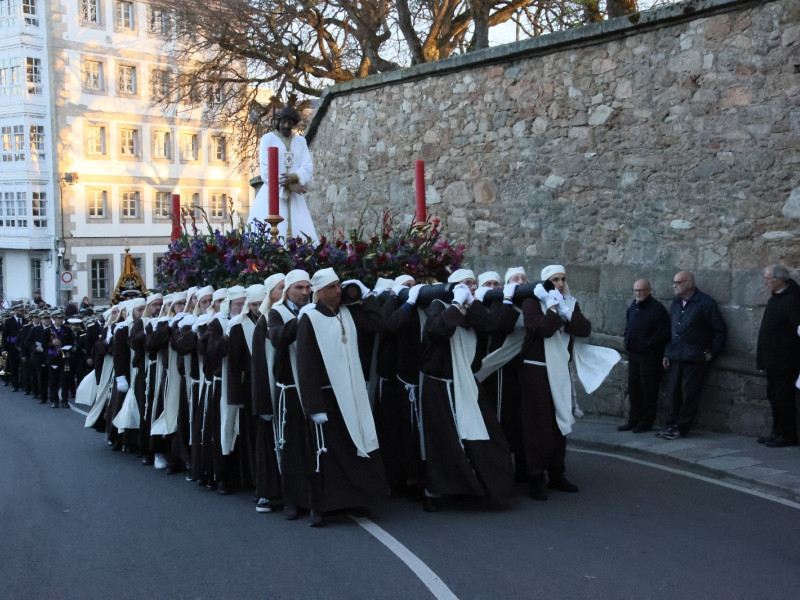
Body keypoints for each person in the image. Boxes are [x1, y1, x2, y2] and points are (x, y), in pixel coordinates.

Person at [417, 269, 515, 512]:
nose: (471, 287)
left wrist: (470, 303)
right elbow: (437, 331)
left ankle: (486, 487)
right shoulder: (438, 306)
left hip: (465, 383)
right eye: (465, 284)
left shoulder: (472, 309)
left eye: (473, 283)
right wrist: (456, 303)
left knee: (484, 434)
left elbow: (490, 324)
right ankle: (436, 489)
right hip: (440, 385)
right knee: (444, 441)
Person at [296, 268, 387, 526]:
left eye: (339, 285)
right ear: (320, 292)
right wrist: (313, 405)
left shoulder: (349, 312)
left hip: (353, 392)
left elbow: (377, 324)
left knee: (354, 447)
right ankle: (320, 506)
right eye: (333, 287)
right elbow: (306, 364)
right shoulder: (310, 318)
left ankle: (356, 500)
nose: (339, 291)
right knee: (325, 453)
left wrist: (367, 296)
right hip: (327, 397)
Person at [518, 265, 591, 500]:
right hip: (536, 372)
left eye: (562, 279)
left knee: (559, 422)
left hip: (558, 370)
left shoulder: (569, 303)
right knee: (537, 426)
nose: (559, 283)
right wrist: (552, 307)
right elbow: (541, 328)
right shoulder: (532, 302)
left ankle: (557, 472)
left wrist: (566, 311)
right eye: (553, 280)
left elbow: (583, 329)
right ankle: (536, 476)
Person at [265, 270, 315, 519]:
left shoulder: (314, 308)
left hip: (312, 388)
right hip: (290, 390)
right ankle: (292, 500)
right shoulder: (277, 313)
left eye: (308, 287)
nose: (305, 293)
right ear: (287, 291)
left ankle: (315, 498)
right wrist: (300, 320)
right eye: (299, 288)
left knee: (315, 445)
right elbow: (278, 338)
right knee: (292, 447)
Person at [659, 271, 727, 440]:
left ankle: (682, 427)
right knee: (674, 391)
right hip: (676, 356)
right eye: (674, 282)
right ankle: (671, 423)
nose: (674, 285)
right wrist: (667, 352)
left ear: (690, 284)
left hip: (695, 357)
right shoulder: (676, 303)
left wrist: (712, 352)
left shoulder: (705, 303)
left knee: (689, 393)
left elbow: (719, 330)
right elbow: (670, 330)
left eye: (678, 282)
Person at [248, 105, 317, 242]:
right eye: (284, 121)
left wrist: (295, 177)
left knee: (302, 235)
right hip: (272, 195)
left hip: (295, 198)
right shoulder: (268, 139)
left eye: (290, 123)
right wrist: (287, 186)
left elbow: (307, 166)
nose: (286, 125)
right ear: (278, 121)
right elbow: (266, 171)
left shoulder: (300, 141)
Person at [618, 279, 670, 433]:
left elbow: (664, 333)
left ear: (649, 291)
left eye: (641, 290)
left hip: (650, 356)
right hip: (634, 355)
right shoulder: (633, 307)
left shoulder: (657, 309)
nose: (638, 293)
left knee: (648, 389)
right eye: (635, 290)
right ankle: (633, 420)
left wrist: (646, 343)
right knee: (634, 388)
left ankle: (646, 422)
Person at [756, 266, 800, 447]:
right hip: (773, 359)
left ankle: (788, 434)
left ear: (780, 280)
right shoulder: (778, 296)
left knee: (784, 398)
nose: (766, 283)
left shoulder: (793, 299)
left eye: (768, 279)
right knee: (773, 396)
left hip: (785, 360)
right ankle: (777, 430)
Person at [2, 302, 25, 391]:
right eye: (20, 311)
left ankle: (23, 384)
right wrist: (4, 349)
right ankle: (15, 384)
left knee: (23, 367)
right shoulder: (9, 321)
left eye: (23, 311)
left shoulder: (25, 321)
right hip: (12, 347)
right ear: (15, 311)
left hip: (22, 347)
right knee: (14, 367)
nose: (22, 312)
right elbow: (4, 336)